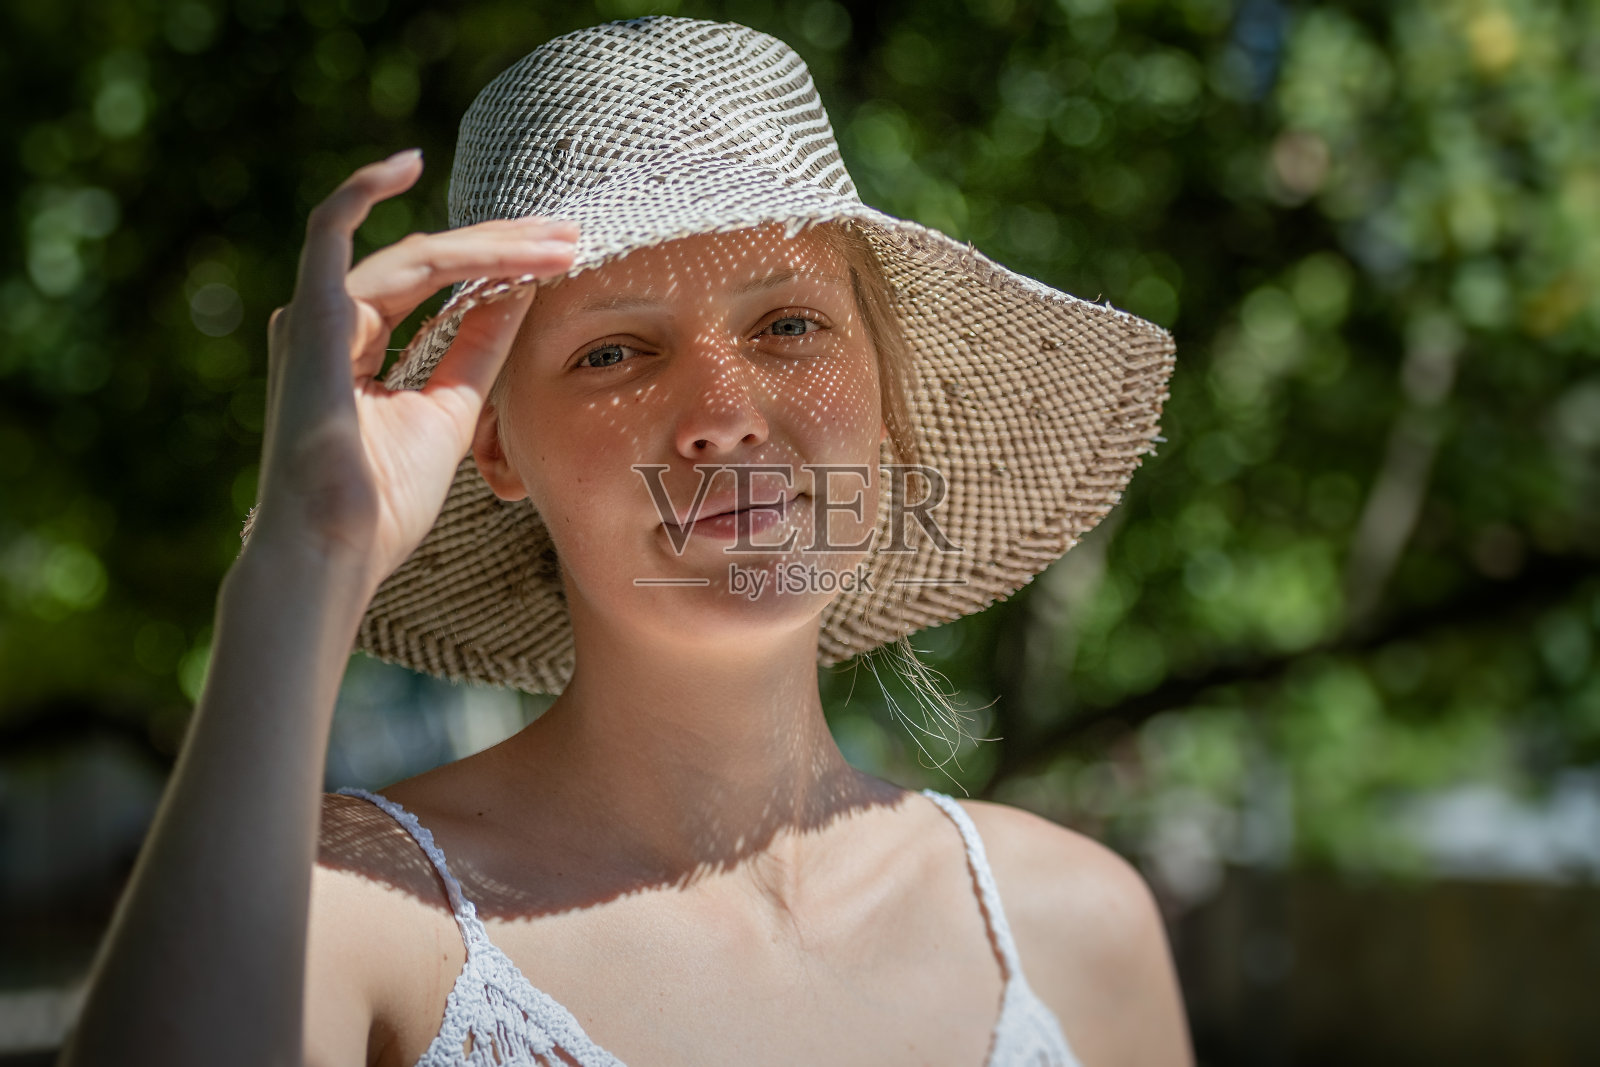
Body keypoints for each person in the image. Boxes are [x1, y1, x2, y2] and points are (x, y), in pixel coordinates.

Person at [62, 16, 1190, 1067]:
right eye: (612, 352)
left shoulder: (1074, 925)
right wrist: (308, 549)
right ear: (495, 446)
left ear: (884, 399)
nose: (723, 409)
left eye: (788, 325)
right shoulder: (349, 911)